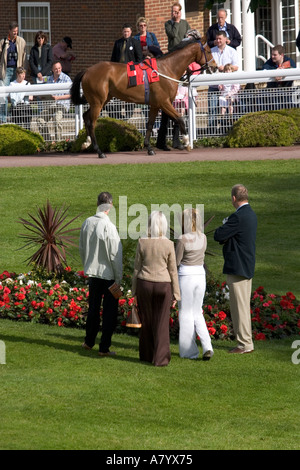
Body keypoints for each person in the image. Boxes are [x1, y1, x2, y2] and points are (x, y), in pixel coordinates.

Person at [132, 211, 180, 367]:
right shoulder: (168, 244)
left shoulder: (142, 242)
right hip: (163, 285)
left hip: (144, 283)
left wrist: (133, 292)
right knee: (161, 323)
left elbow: (136, 269)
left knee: (146, 321)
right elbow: (173, 270)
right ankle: (161, 359)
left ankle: (146, 355)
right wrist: (176, 294)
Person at [214, 184, 257, 354]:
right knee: (243, 306)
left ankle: (244, 344)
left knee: (239, 307)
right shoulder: (251, 214)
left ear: (233, 198)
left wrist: (225, 224)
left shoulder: (237, 217)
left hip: (238, 267)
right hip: (246, 265)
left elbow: (219, 235)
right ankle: (246, 342)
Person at [80, 192, 123, 356]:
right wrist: (118, 278)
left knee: (93, 308)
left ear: (98, 204)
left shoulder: (87, 223)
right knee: (109, 313)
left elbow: (82, 249)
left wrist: (87, 266)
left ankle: (89, 341)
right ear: (110, 206)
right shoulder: (109, 227)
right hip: (109, 277)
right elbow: (115, 255)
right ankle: (104, 347)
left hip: (93, 274)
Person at [176, 208, 214, 361]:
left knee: (185, 313)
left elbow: (177, 261)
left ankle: (189, 351)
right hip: (200, 275)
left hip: (186, 276)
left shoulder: (183, 239)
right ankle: (207, 346)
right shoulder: (203, 237)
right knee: (197, 312)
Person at [208, 31, 239, 134]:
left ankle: (226, 130)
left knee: (227, 110)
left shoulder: (232, 51)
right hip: (214, 85)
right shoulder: (211, 51)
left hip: (227, 88)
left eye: (220, 39)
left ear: (226, 39)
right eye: (216, 39)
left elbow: (236, 67)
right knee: (212, 110)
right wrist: (215, 67)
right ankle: (211, 133)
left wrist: (225, 67)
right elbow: (208, 66)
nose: (218, 41)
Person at [36, 61, 72, 141]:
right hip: (51, 105)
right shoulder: (49, 79)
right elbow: (43, 88)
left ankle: (59, 143)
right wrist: (43, 97)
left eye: (59, 68)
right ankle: (48, 142)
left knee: (57, 119)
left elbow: (71, 95)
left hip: (61, 105)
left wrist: (58, 98)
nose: (58, 70)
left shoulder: (66, 78)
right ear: (52, 70)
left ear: (61, 68)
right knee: (40, 120)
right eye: (56, 69)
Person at [0, 22, 26, 123]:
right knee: (3, 94)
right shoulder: (3, 42)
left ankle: (16, 117)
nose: (15, 33)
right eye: (14, 31)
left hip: (17, 70)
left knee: (16, 94)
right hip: (6, 71)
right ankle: (2, 118)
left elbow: (24, 57)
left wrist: (24, 71)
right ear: (9, 31)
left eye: (17, 31)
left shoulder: (21, 41)